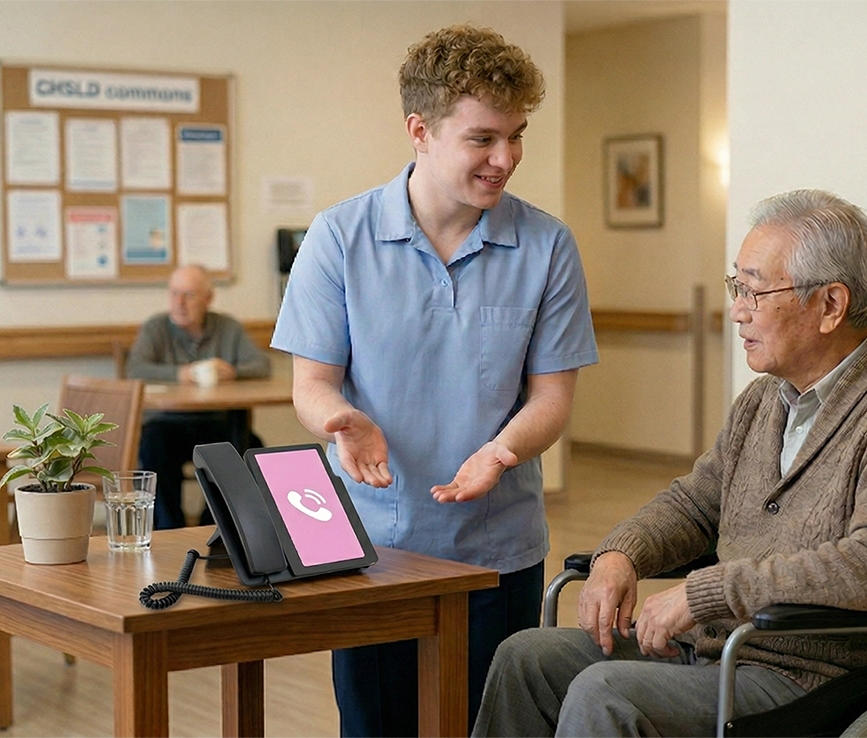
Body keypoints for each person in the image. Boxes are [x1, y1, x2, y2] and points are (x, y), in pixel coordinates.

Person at [473, 189, 867, 738]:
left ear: (831, 305)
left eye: (754, 290)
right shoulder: (764, 401)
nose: (737, 310)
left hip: (818, 676)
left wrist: (703, 592)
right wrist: (621, 553)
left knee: (606, 694)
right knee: (526, 658)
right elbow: (693, 504)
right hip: (723, 649)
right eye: (738, 286)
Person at [270, 24, 598, 737]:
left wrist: (502, 452)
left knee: (486, 727)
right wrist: (339, 419)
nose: (505, 158)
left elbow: (551, 398)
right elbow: (312, 384)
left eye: (516, 136)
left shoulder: (547, 246)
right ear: (419, 130)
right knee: (375, 726)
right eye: (482, 139)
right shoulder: (338, 238)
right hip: (367, 547)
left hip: (497, 549)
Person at [126, 264, 272, 529]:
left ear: (208, 298)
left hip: (215, 422)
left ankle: (217, 525)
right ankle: (168, 529)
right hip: (167, 422)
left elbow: (261, 365)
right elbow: (135, 368)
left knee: (249, 444)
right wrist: (179, 374)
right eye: (174, 294)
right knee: (153, 446)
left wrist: (233, 372)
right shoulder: (155, 328)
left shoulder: (227, 327)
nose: (179, 303)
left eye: (189, 295)